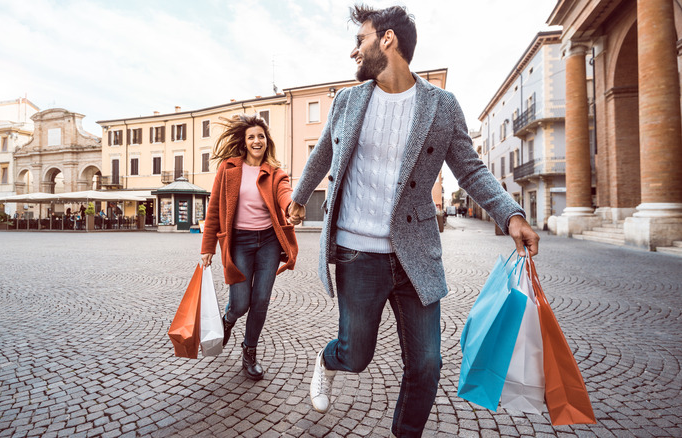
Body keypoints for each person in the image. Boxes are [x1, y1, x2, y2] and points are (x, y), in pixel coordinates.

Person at [286, 5, 540, 436]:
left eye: (359, 40)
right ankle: (328, 360)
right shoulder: (347, 101)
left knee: (426, 363)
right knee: (356, 354)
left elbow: (471, 168)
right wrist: (298, 198)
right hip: (356, 252)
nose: (354, 52)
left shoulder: (440, 106)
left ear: (387, 39)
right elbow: (323, 153)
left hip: (415, 251)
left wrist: (510, 214)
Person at [200, 113, 299, 381]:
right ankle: (228, 320)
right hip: (240, 242)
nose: (257, 140)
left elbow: (284, 193)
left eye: (261, 136)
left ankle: (249, 351)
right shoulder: (229, 169)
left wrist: (292, 206)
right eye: (252, 136)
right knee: (241, 303)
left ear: (267, 141)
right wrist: (207, 247)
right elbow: (215, 210)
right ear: (244, 142)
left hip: (267, 242)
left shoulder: (275, 172)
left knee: (261, 301)